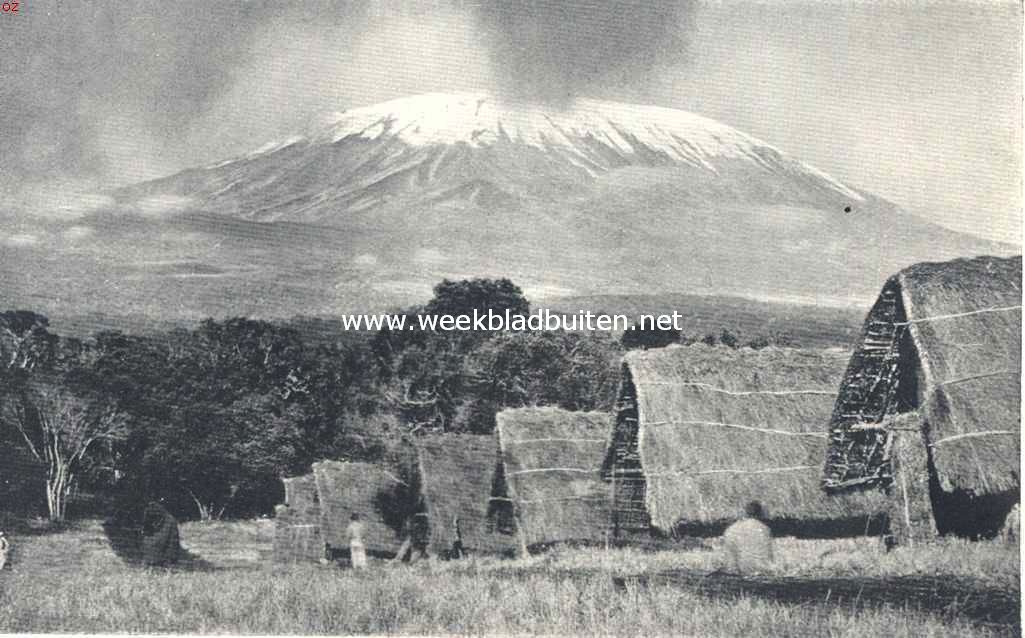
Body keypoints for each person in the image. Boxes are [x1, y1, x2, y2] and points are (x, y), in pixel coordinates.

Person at [722, 500, 774, 573]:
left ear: (745, 513)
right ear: (760, 513)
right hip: (762, 572)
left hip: (742, 572)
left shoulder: (730, 530)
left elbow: (731, 564)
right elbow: (768, 556)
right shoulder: (764, 529)